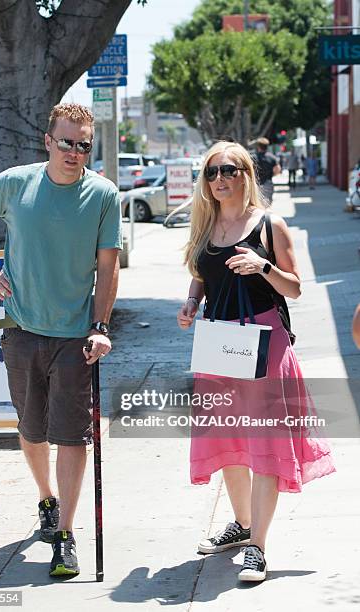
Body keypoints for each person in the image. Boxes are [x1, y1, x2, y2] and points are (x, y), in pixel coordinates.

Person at [0, 103, 122, 577]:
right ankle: (46, 499)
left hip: (75, 337)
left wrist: (101, 326)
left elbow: (108, 266)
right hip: (21, 331)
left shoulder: (104, 195)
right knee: (30, 431)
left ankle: (66, 536)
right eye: (66, 141)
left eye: (84, 144)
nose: (74, 152)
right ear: (48, 141)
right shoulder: (16, 182)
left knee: (72, 436)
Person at [176, 140, 335, 583]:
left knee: (266, 446)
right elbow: (199, 277)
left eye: (228, 170)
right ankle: (242, 526)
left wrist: (263, 266)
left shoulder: (270, 226)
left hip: (265, 345)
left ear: (247, 174)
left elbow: (296, 289)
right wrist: (191, 303)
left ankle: (258, 549)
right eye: (210, 173)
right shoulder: (205, 228)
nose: (219, 179)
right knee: (228, 443)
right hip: (219, 344)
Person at [252, 137, 281, 204]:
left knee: (257, 205)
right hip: (268, 183)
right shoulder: (272, 157)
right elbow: (278, 169)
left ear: (258, 146)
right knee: (267, 204)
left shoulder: (253, 157)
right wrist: (272, 174)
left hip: (256, 184)